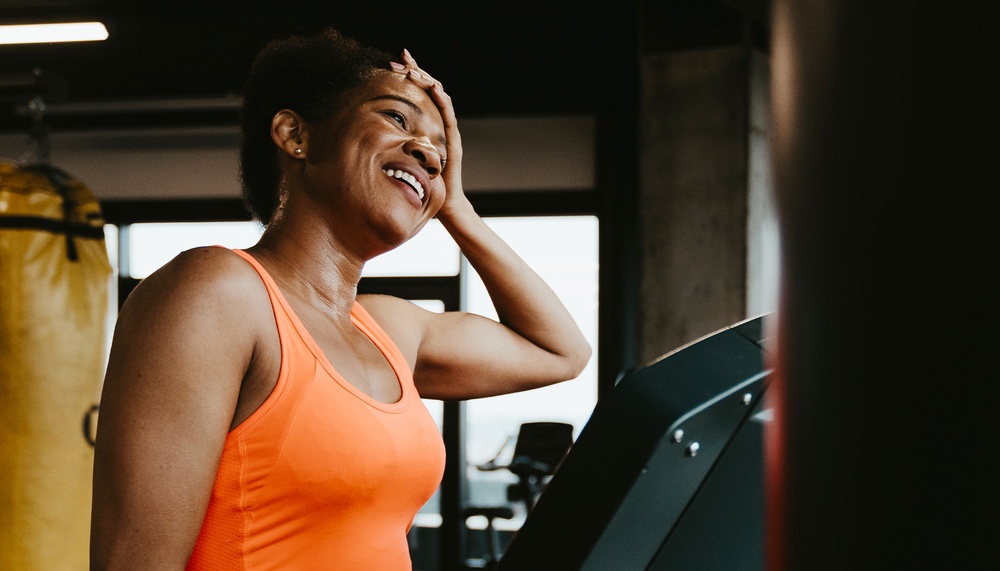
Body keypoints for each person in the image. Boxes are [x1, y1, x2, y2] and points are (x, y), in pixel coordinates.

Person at [89, 28, 591, 570]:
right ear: (295, 134)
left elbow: (560, 352)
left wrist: (459, 207)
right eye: (397, 119)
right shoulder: (219, 292)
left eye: (440, 158)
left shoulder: (388, 329)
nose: (427, 152)